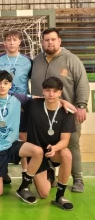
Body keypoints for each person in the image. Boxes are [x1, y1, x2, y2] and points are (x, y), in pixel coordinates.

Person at [31, 28, 90, 193]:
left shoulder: (72, 60)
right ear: (42, 42)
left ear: (59, 41)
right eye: (46, 40)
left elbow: (82, 84)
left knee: (71, 145)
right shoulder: (36, 61)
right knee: (45, 145)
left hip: (67, 113)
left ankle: (78, 179)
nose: (50, 42)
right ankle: (51, 177)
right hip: (43, 114)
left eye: (53, 39)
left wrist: (82, 106)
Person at [0, 71, 43, 204]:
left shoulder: (18, 98)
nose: (2, 86)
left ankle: (24, 186)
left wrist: (63, 102)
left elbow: (42, 99)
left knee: (38, 152)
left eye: (6, 83)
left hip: (11, 145)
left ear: (11, 85)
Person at [27, 77, 76, 210]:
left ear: (60, 92)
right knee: (43, 194)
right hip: (37, 154)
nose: (51, 94)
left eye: (55, 91)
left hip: (54, 152)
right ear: (43, 91)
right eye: (47, 90)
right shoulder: (33, 104)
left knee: (66, 154)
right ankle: (49, 173)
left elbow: (65, 140)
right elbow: (13, 96)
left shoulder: (67, 113)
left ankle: (60, 196)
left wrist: (55, 148)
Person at [0, 30, 33, 178]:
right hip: (2, 104)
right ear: (4, 43)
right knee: (3, 135)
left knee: (23, 136)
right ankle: (3, 170)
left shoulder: (28, 61)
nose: (12, 43)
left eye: (15, 40)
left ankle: (25, 172)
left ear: (20, 42)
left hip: (21, 104)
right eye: (9, 40)